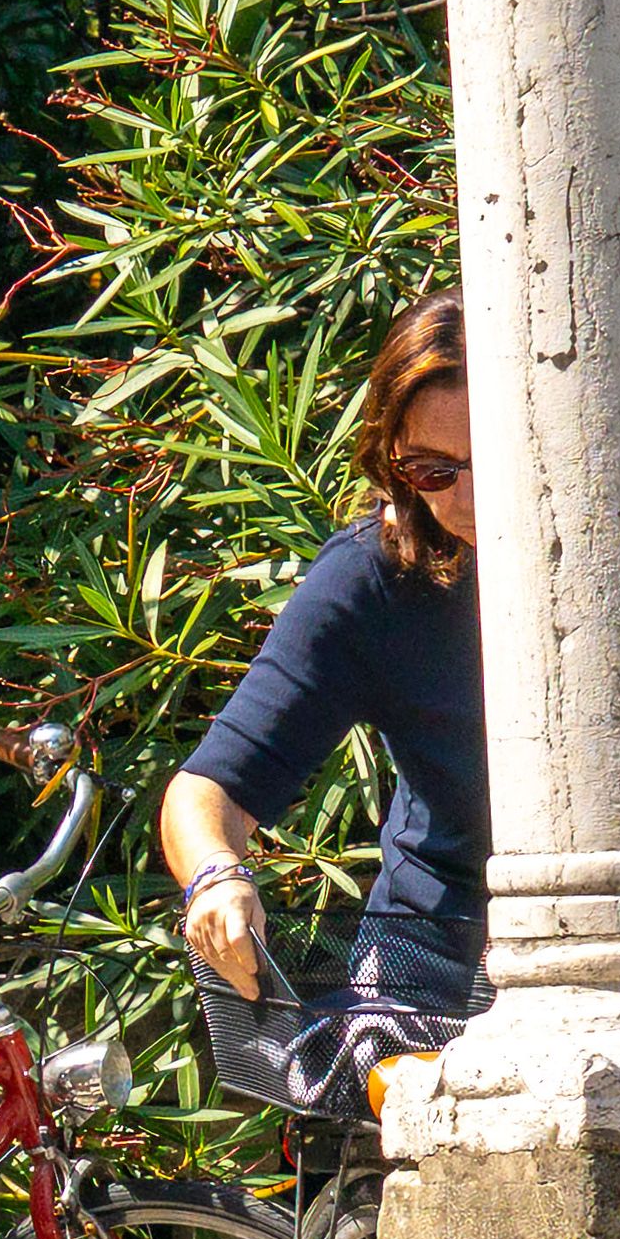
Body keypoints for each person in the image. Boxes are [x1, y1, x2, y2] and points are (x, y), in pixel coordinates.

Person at [156, 290, 489, 1030]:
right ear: (395, 463)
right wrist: (217, 878)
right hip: (435, 956)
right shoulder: (373, 577)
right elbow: (205, 790)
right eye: (434, 471)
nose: (467, 496)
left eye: (491, 458)